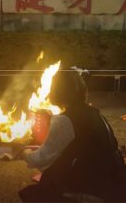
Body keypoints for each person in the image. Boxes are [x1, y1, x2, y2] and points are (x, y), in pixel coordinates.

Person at [18, 69, 126, 202]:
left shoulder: (65, 119)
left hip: (92, 188)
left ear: (56, 91)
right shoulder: (96, 114)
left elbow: (40, 160)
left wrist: (23, 151)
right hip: (114, 182)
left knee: (36, 192)